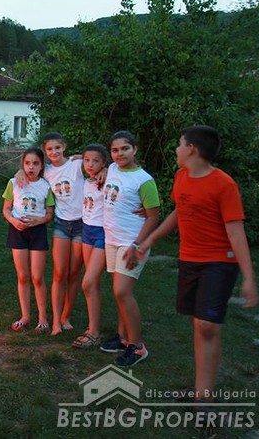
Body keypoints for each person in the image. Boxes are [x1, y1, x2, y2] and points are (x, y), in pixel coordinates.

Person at [138, 126, 259, 399]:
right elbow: (179, 213)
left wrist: (249, 278)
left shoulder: (224, 184)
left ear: (191, 148)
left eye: (180, 144)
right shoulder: (182, 176)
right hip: (189, 259)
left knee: (208, 325)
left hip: (219, 262)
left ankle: (205, 396)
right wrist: (148, 241)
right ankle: (200, 388)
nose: (177, 149)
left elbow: (236, 232)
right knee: (199, 323)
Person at [99, 131, 160, 367]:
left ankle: (137, 346)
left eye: (125, 148)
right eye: (115, 150)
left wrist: (137, 245)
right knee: (118, 292)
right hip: (112, 239)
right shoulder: (113, 169)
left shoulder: (144, 180)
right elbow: (85, 159)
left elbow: (153, 216)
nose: (120, 154)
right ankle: (123, 336)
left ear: (135, 149)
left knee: (122, 291)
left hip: (132, 242)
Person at [15, 132, 86, 335]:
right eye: (49, 149)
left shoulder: (76, 164)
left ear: (64, 147)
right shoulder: (46, 171)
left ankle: (66, 316)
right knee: (59, 272)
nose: (54, 152)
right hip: (61, 224)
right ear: (45, 152)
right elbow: (30, 169)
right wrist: (20, 171)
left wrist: (104, 169)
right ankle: (55, 321)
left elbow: (95, 163)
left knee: (74, 273)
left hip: (82, 224)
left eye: (57, 147)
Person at [2, 148, 54, 332]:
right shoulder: (13, 183)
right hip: (18, 231)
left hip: (37, 232)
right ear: (22, 164)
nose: (31, 167)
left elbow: (50, 214)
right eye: (27, 163)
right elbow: (6, 209)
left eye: (36, 163)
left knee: (37, 277)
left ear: (42, 165)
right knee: (23, 276)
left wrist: (39, 221)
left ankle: (43, 317)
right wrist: (13, 221)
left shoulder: (46, 186)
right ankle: (25, 316)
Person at [72, 144, 108, 349]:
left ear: (104, 162)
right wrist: (80, 156)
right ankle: (93, 329)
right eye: (87, 160)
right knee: (93, 284)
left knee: (87, 282)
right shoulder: (86, 181)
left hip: (103, 233)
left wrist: (107, 170)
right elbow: (70, 160)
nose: (90, 164)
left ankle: (94, 332)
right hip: (87, 230)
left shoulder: (108, 179)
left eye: (96, 161)